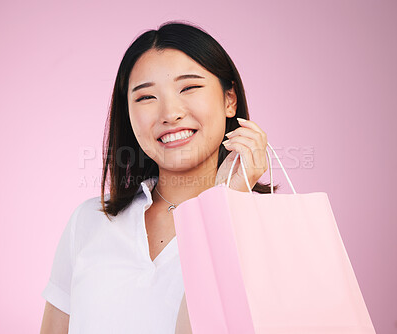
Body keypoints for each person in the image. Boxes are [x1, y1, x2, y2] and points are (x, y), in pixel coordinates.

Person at [40, 20, 278, 334]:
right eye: (145, 98)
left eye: (189, 88)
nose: (169, 113)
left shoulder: (272, 230)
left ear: (229, 99)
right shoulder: (89, 221)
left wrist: (223, 206)